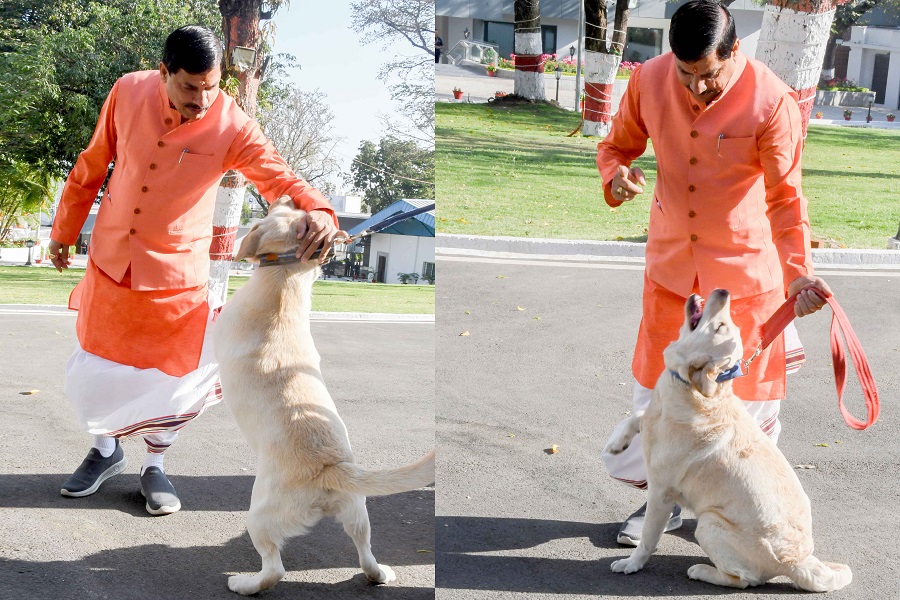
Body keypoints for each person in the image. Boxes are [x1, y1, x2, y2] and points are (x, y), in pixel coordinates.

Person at [48, 25, 344, 515]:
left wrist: (322, 213)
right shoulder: (127, 91)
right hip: (111, 260)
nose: (202, 99)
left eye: (211, 86)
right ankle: (104, 450)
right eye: (190, 86)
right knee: (99, 368)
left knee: (173, 378)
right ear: (164, 71)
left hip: (177, 273)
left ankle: (154, 464)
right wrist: (63, 230)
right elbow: (92, 164)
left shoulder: (232, 124)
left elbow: (280, 177)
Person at [595, 0, 831, 546]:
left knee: (743, 408)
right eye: (685, 74)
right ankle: (662, 504)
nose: (696, 88)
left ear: (733, 51)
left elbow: (786, 199)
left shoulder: (772, 100)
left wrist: (799, 273)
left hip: (744, 275)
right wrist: (616, 177)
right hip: (671, 270)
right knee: (657, 397)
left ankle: (737, 510)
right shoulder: (648, 80)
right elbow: (616, 147)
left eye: (708, 75)